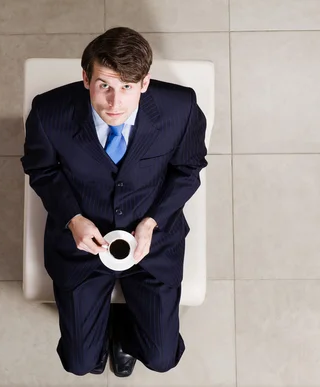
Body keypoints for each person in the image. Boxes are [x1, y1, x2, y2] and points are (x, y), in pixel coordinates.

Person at [20, 26, 208, 377]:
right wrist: (73, 217)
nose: (114, 102)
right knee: (80, 363)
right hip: (82, 240)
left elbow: (189, 168)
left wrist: (153, 221)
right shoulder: (49, 112)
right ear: (85, 78)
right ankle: (97, 334)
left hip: (151, 238)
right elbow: (40, 168)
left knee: (162, 358)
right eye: (104, 85)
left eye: (127, 87)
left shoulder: (180, 108)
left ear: (145, 83)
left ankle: (126, 330)